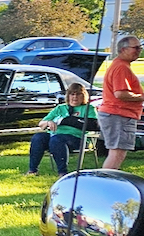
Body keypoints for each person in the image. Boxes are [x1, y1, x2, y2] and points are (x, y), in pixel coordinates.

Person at [26, 83, 96, 176]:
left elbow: (94, 125)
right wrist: (48, 122)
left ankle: (62, 172)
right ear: (68, 95)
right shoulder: (60, 108)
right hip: (54, 136)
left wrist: (70, 121)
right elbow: (41, 124)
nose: (75, 97)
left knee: (57, 139)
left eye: (78, 94)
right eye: (72, 94)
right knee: (38, 137)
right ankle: (32, 170)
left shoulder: (88, 108)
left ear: (83, 96)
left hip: (77, 138)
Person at [97, 35, 142, 171]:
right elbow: (120, 93)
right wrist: (141, 97)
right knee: (117, 154)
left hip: (114, 114)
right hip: (119, 115)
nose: (139, 50)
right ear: (123, 49)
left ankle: (107, 182)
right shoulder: (121, 68)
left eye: (140, 47)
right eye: (136, 48)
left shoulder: (120, 65)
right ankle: (106, 184)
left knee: (116, 152)